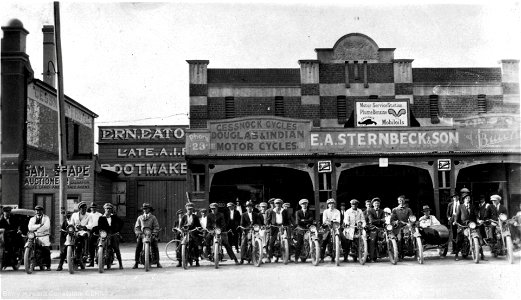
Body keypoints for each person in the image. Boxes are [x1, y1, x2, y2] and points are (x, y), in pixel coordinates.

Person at [133, 203, 161, 269]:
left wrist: (154, 233)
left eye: (146, 209)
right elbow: (137, 227)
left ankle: (157, 262)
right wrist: (139, 233)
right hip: (142, 235)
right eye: (144, 209)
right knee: (138, 246)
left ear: (149, 209)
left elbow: (156, 226)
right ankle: (136, 263)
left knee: (155, 246)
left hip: (151, 234)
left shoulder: (153, 217)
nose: (145, 210)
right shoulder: (140, 218)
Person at [98, 203, 124, 269]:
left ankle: (120, 263)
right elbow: (99, 227)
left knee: (116, 247)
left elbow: (121, 223)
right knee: (100, 244)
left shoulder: (114, 217)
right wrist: (101, 232)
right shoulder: (101, 218)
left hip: (113, 234)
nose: (108, 210)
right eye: (107, 208)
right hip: (105, 234)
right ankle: (99, 258)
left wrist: (118, 231)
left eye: (110, 208)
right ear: (104, 209)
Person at [177, 202, 202, 267]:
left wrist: (197, 228)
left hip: (193, 233)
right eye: (188, 209)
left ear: (193, 209)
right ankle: (179, 261)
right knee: (179, 246)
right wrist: (182, 228)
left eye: (191, 209)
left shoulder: (195, 217)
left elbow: (199, 225)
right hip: (185, 233)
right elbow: (180, 226)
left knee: (196, 245)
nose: (189, 210)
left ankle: (197, 261)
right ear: (186, 209)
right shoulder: (184, 217)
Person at [27, 205, 51, 270]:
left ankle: (48, 265)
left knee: (46, 249)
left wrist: (36, 228)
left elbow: (46, 227)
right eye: (37, 211)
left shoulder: (46, 218)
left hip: (44, 236)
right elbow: (30, 227)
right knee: (30, 246)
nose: (38, 212)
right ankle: (29, 262)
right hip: (34, 235)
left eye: (39, 210)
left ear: (42, 211)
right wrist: (40, 225)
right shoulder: (32, 219)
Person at [70, 201, 93, 267]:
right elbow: (71, 223)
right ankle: (70, 253)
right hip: (76, 232)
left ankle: (86, 254)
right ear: (79, 209)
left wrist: (84, 227)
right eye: (82, 208)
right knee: (70, 238)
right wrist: (74, 227)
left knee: (85, 235)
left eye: (85, 208)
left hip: (85, 231)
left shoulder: (89, 215)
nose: (84, 209)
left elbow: (91, 224)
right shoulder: (74, 215)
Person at [454, 194, 476, 261]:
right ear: (464, 199)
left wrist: (477, 221)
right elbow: (457, 215)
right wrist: (456, 221)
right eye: (466, 198)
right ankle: (456, 254)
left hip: (471, 224)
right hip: (463, 225)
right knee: (459, 239)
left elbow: (474, 215)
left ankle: (481, 254)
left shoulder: (472, 206)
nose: (468, 199)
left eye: (469, 198)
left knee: (478, 236)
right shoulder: (460, 206)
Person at [268, 199, 291, 263]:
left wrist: (289, 225)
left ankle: (287, 257)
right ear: (275, 204)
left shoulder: (284, 211)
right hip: (274, 227)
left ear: (281, 204)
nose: (278, 205)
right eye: (277, 204)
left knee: (287, 240)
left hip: (283, 227)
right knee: (271, 242)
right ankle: (270, 257)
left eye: (279, 204)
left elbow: (287, 219)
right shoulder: (272, 211)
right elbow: (268, 219)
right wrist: (268, 225)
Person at [320, 198, 341, 263]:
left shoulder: (337, 211)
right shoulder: (325, 211)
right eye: (329, 204)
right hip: (327, 228)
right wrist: (328, 222)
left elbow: (338, 220)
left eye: (332, 204)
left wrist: (333, 221)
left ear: (334, 204)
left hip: (335, 227)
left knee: (342, 239)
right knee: (324, 241)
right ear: (328, 205)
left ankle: (334, 256)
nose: (331, 205)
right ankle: (322, 257)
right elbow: (324, 220)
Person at [294, 199, 315, 264]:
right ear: (301, 205)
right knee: (299, 243)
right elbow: (298, 222)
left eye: (306, 204)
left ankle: (313, 256)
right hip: (300, 229)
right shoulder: (298, 212)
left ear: (307, 204)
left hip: (308, 229)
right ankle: (296, 258)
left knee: (310, 241)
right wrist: (306, 220)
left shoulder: (310, 212)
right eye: (303, 204)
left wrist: (303, 220)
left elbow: (311, 220)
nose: (304, 205)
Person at [368, 198, 385, 262]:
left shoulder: (382, 211)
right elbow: (371, 221)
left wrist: (380, 221)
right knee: (373, 240)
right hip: (373, 228)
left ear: (379, 204)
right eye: (375, 203)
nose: (377, 204)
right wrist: (380, 220)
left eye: (378, 203)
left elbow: (384, 220)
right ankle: (372, 257)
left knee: (386, 239)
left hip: (381, 228)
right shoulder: (370, 210)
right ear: (373, 204)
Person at [87, 202, 102, 267]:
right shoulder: (88, 215)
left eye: (94, 207)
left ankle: (99, 260)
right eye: (92, 207)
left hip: (98, 230)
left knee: (99, 245)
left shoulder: (99, 215)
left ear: (96, 208)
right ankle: (91, 261)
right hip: (90, 231)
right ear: (90, 208)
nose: (93, 209)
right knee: (90, 246)